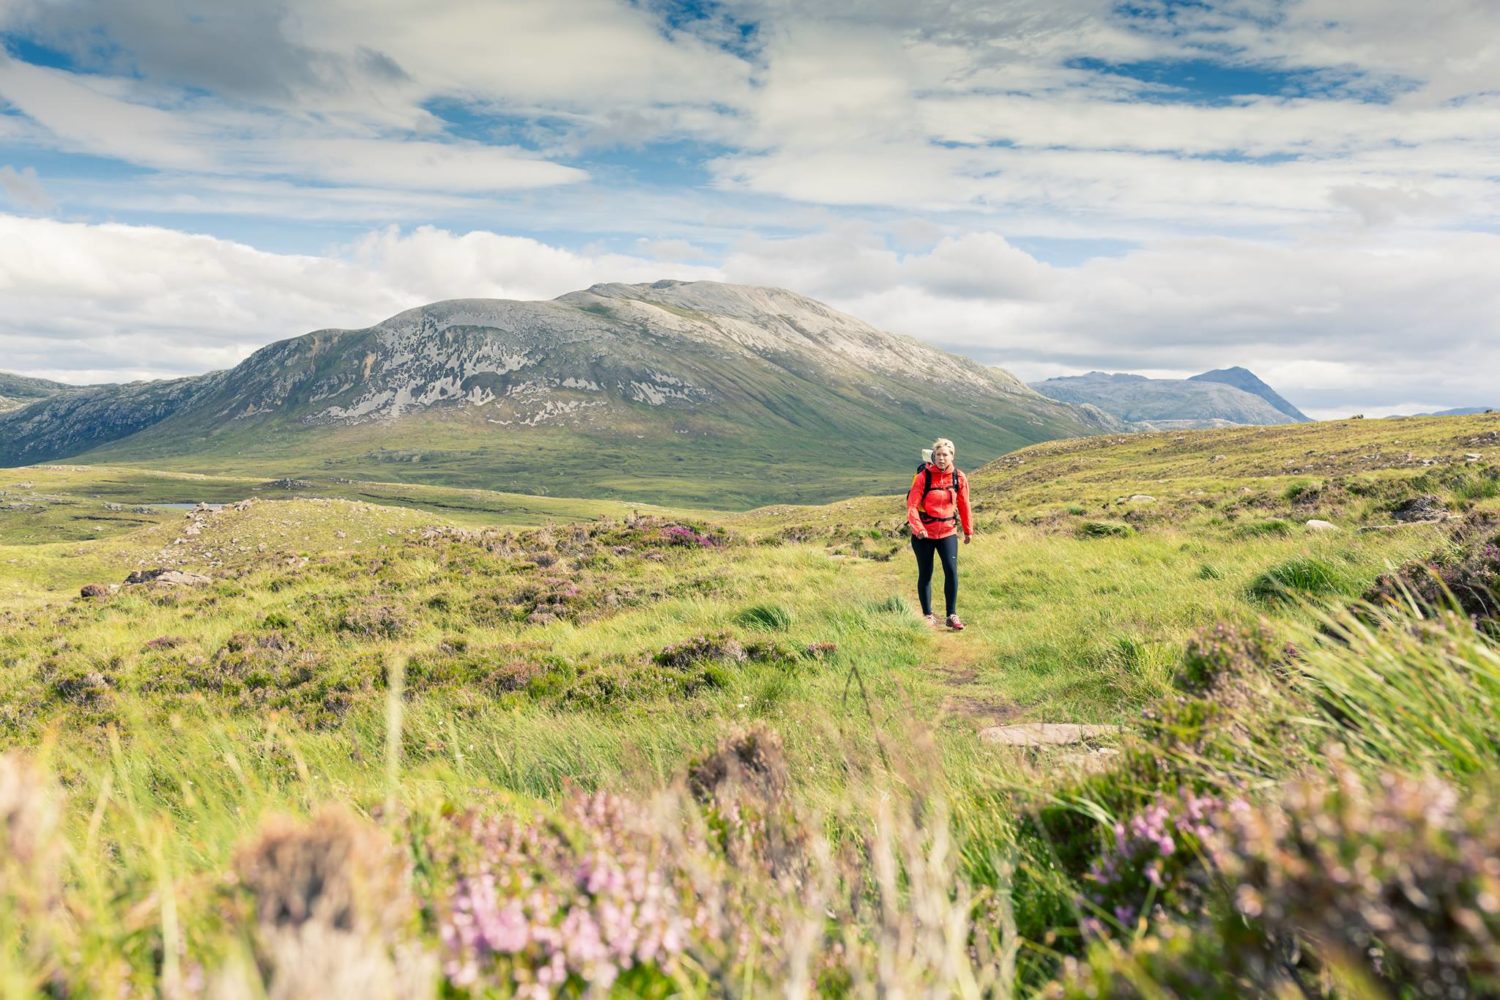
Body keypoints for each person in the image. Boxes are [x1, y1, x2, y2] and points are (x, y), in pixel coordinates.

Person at [906, 437, 972, 630]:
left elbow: (964, 504)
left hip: (948, 532)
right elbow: (911, 506)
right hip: (923, 535)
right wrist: (918, 528)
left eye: (945, 455)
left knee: (951, 572)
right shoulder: (923, 477)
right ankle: (927, 615)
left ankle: (952, 615)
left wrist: (968, 530)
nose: (941, 458)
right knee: (926, 574)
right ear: (933, 456)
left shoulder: (958, 477)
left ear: (952, 456)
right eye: (938, 455)